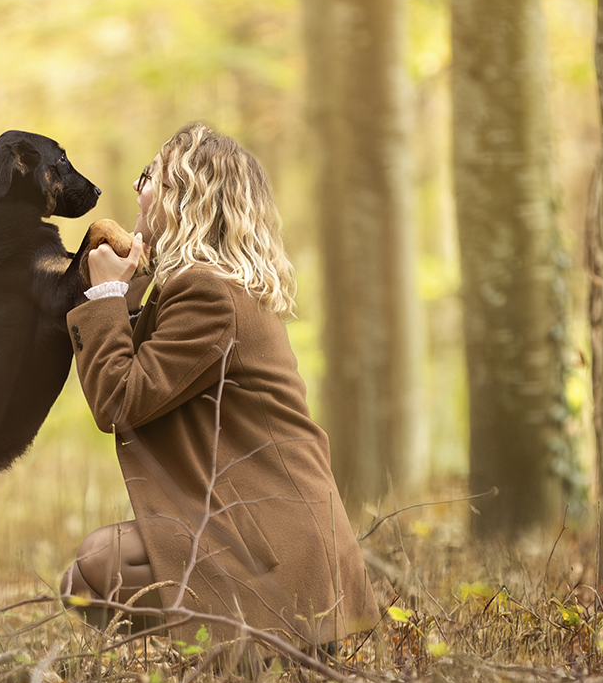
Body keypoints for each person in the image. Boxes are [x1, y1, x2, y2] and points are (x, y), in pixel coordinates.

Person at [61, 122, 378, 651]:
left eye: (151, 177)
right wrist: (126, 290)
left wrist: (111, 293)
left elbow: (120, 399)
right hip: (269, 533)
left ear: (187, 197)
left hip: (275, 544)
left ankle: (266, 650)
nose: (138, 191)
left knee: (97, 566)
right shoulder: (197, 288)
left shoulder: (206, 292)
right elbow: (134, 373)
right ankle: (247, 657)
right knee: (84, 581)